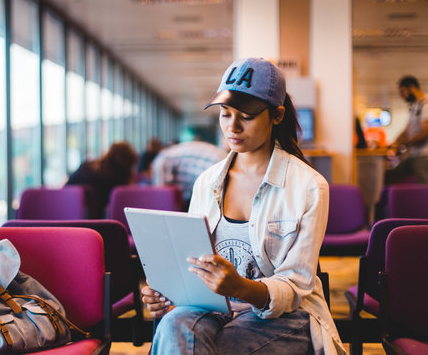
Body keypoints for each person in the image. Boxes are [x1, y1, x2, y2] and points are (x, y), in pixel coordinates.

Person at [141, 57, 345, 354]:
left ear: (277, 116)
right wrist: (169, 294)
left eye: (246, 116)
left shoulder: (308, 186)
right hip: (214, 308)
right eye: (225, 114)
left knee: (215, 346)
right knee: (172, 325)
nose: (232, 127)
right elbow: (194, 264)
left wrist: (240, 288)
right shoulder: (207, 182)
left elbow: (295, 287)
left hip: (283, 316)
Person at [385, 75, 428, 184]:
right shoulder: (415, 106)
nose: (401, 96)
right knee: (390, 176)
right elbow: (406, 131)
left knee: (425, 189)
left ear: (411, 88)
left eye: (402, 92)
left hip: (425, 155)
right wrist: (394, 143)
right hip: (414, 154)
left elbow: (424, 133)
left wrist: (404, 144)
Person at [65, 141, 138, 218]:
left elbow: (67, 186)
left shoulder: (87, 166)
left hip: (68, 213)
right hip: (99, 219)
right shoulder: (119, 178)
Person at [151, 138, 227, 210]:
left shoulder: (160, 159)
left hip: (213, 168)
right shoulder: (176, 151)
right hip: (223, 160)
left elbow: (163, 192)